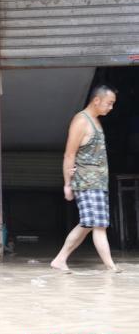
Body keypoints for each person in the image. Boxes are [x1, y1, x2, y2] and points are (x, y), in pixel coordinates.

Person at [51, 85, 120, 272]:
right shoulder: (81, 120)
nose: (111, 107)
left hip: (97, 182)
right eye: (109, 103)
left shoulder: (95, 121)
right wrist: (67, 184)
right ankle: (110, 266)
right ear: (96, 100)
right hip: (87, 182)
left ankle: (60, 259)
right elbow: (69, 154)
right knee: (96, 224)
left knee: (90, 224)